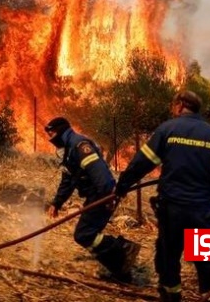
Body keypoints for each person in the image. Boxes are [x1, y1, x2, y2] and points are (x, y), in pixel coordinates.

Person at [115, 90, 210, 302]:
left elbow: (142, 163)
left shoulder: (168, 129)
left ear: (180, 105)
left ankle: (171, 296)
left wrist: (123, 185)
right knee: (209, 260)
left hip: (173, 208)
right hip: (202, 209)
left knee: (168, 256)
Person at [44, 117, 141, 283]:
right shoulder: (69, 150)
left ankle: (124, 249)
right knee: (88, 235)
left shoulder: (79, 145)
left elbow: (99, 172)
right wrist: (57, 203)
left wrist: (108, 195)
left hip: (102, 194)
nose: (50, 138)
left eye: (51, 133)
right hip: (96, 194)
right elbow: (68, 180)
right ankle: (122, 271)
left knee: (84, 234)